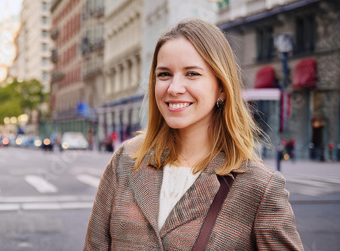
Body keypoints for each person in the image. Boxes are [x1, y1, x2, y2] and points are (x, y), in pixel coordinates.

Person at [84, 19, 303, 250]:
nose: (174, 88)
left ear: (221, 87)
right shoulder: (125, 160)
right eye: (164, 74)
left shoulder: (259, 187)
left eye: (191, 74)